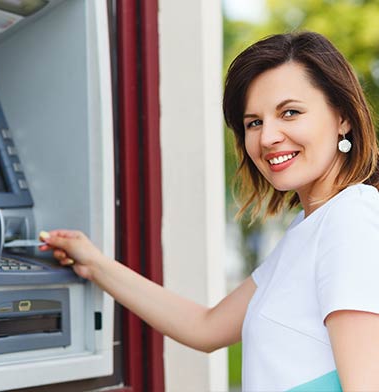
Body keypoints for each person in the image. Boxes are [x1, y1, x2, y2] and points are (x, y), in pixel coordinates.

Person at [40, 31, 379, 391]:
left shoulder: (350, 218)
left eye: (290, 113)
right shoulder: (309, 228)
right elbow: (205, 327)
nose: (267, 138)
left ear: (342, 117)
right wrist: (93, 263)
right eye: (254, 122)